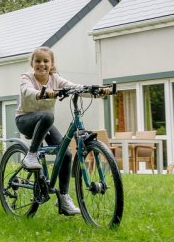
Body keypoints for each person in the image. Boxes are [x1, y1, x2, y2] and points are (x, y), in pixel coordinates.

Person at [16, 46, 110, 216]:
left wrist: (97, 91)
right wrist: (40, 94)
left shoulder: (55, 79)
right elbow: (26, 91)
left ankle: (64, 198)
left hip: (45, 121)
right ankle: (31, 154)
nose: (42, 64)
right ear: (32, 63)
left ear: (51, 64)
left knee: (65, 154)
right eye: (38, 61)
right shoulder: (27, 77)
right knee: (47, 116)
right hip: (25, 120)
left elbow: (74, 86)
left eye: (46, 61)